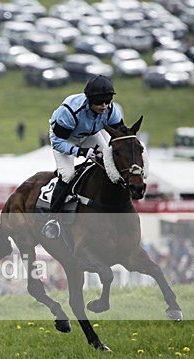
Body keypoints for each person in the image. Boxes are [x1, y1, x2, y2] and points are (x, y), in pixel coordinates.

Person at [42, 75, 124, 239]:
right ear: (90, 99)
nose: (104, 106)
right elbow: (58, 142)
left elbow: (120, 135)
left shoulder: (110, 110)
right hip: (65, 138)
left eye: (107, 101)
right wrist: (79, 152)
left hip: (90, 135)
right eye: (100, 102)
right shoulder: (71, 111)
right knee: (68, 175)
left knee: (111, 161)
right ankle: (53, 219)